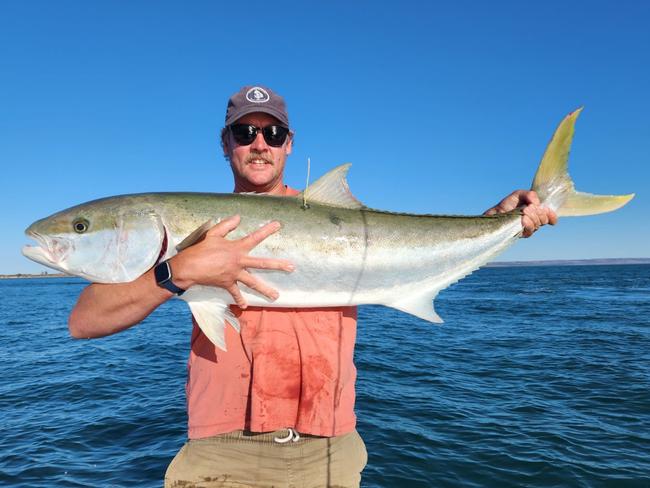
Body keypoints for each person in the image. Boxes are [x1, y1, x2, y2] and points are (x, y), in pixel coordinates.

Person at [68, 85, 557, 488]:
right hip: (222, 454)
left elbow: (408, 240)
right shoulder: (183, 234)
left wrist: (500, 221)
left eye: (272, 133)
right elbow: (85, 321)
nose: (260, 143)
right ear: (226, 144)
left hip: (331, 451)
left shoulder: (340, 217)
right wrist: (179, 271)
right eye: (245, 132)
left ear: (288, 143)